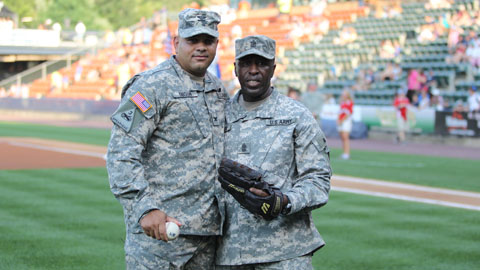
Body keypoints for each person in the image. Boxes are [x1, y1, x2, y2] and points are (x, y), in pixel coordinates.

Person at [106, 8, 229, 269]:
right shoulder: (150, 86)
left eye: (207, 41)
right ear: (176, 43)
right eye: (192, 40)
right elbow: (121, 152)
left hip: (209, 237)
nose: (201, 47)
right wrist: (144, 208)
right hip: (159, 235)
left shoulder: (219, 90)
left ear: (216, 44)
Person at [216, 35, 331, 270]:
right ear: (235, 69)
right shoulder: (218, 116)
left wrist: (284, 201)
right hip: (229, 254)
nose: (254, 70)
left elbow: (318, 181)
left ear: (273, 68)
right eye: (246, 63)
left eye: (262, 64)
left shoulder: (296, 115)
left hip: (285, 253)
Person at [337, 89, 353, 160]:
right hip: (341, 121)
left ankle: (347, 153)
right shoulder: (342, 103)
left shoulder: (349, 103)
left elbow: (348, 113)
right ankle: (344, 152)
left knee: (345, 137)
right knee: (342, 138)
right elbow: (340, 112)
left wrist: (342, 120)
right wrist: (338, 120)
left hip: (346, 121)